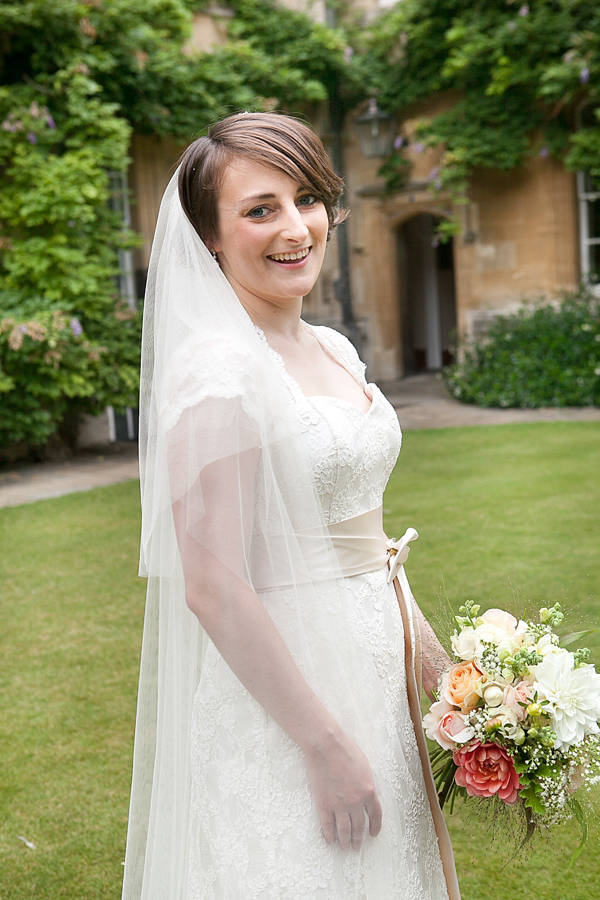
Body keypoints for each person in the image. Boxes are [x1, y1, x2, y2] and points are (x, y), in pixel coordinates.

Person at [122, 112, 461, 900]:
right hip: (292, 702)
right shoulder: (218, 373)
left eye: (307, 198)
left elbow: (367, 543)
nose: (296, 228)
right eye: (259, 209)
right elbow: (212, 587)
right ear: (210, 236)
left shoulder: (333, 348)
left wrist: (449, 676)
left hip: (375, 677)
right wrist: (323, 747)